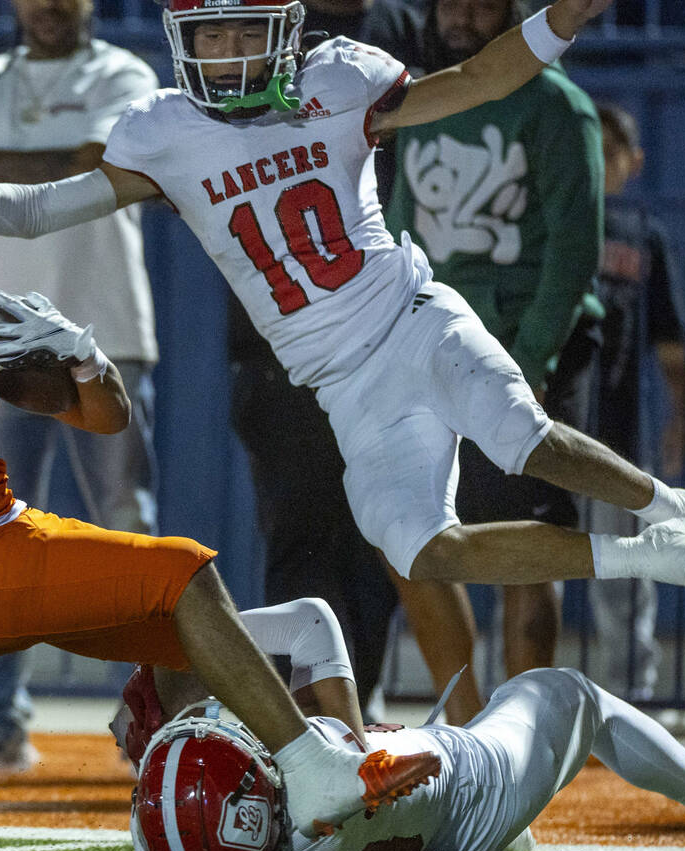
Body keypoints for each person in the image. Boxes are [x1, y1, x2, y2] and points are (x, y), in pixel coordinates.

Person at [0, 0, 685, 673]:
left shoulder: (337, 79)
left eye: (245, 31)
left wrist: (562, 20)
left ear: (283, 33)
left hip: (410, 319)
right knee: (424, 547)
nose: (229, 53)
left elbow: (479, 77)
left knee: (521, 437)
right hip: (343, 387)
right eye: (211, 35)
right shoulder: (163, 131)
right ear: (184, 43)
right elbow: (42, 207)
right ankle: (654, 555)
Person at [0, 131, 441, 837]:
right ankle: (315, 775)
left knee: (303, 626)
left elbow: (104, 418)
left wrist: (85, 359)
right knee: (184, 573)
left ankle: (327, 786)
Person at [0, 0, 163, 774]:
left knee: (128, 522)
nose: (50, 6)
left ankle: (159, 718)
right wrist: (59, 166)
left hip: (105, 333)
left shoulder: (127, 73)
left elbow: (98, 170)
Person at [124, 606, 685, 851]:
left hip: (422, 842)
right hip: (471, 790)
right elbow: (314, 623)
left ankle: (516, 826)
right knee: (569, 692)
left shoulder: (192, 850)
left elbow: (183, 817)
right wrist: (349, 744)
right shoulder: (317, 795)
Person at [369, 0, 605, 722]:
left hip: (528, 351)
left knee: (530, 548)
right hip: (432, 348)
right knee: (406, 535)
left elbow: (573, 251)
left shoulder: (559, 106)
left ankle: (524, 739)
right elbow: (402, 231)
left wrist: (529, 358)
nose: (463, 13)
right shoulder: (419, 104)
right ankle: (471, 733)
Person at [226, 0, 399, 718]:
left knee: (381, 537)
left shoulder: (384, 54)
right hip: (280, 354)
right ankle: (310, 712)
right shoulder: (221, 84)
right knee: (303, 539)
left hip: (369, 338)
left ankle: (351, 699)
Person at [588, 102, 685, 707]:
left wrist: (683, 422)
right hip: (546, 425)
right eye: (590, 148)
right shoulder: (556, 215)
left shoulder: (644, 233)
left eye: (610, 152)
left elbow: (673, 348)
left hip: (619, 436)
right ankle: (512, 695)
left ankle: (633, 698)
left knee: (628, 570)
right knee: (526, 565)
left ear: (635, 162)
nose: (598, 164)